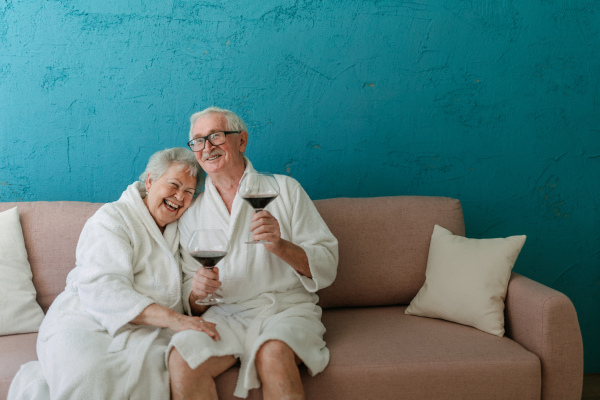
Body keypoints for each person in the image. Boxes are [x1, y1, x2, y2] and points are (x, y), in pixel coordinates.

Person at [8, 148, 219, 400]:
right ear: (150, 181)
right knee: (90, 375)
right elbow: (104, 289)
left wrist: (197, 292)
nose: (180, 197)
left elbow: (185, 294)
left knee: (156, 371)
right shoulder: (112, 219)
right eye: (174, 185)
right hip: (87, 319)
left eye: (188, 192)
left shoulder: (180, 230)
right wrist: (174, 319)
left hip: (146, 329)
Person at [171, 107, 338, 399]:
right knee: (183, 357)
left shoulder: (285, 190)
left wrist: (280, 246)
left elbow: (327, 262)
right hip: (226, 314)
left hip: (285, 309)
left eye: (216, 136)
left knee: (272, 354)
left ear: (241, 141)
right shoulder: (191, 213)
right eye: (198, 141)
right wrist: (196, 293)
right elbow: (190, 294)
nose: (207, 147)